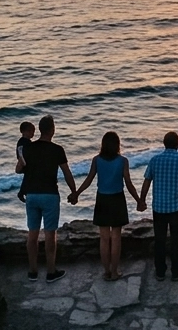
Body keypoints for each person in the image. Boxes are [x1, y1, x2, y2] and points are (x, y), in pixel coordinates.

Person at [72, 131, 141, 281]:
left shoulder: (97, 160)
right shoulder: (123, 161)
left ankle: (106, 271)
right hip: (117, 199)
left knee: (104, 238)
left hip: (102, 199)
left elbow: (89, 179)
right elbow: (128, 183)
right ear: (117, 145)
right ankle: (115, 271)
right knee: (116, 237)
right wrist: (138, 200)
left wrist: (77, 193)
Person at [16, 115, 77, 281]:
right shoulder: (57, 150)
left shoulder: (28, 148)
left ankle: (33, 271)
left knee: (32, 234)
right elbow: (67, 173)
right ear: (52, 130)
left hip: (32, 195)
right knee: (50, 234)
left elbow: (19, 169)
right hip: (50, 194)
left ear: (39, 129)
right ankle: (51, 271)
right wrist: (74, 192)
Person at [137, 131, 178, 282]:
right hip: (176, 207)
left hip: (159, 207)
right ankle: (176, 272)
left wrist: (141, 200)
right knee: (177, 240)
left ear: (164, 144)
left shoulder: (155, 160)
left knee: (160, 240)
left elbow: (147, 182)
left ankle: (160, 272)